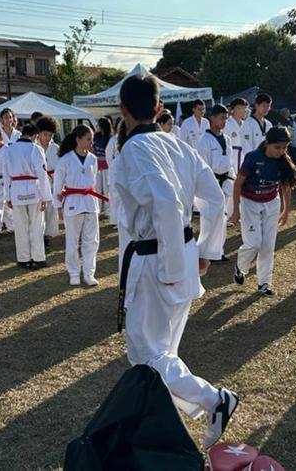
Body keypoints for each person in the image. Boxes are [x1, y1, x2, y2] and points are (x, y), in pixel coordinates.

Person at [113, 73, 237, 450]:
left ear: (122, 111)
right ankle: (155, 428)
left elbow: (166, 203)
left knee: (146, 353)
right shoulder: (179, 146)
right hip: (179, 251)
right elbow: (215, 199)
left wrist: (171, 267)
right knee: (164, 351)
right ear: (158, 108)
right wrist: (204, 252)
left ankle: (215, 399)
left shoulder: (134, 151)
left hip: (159, 259)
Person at [231, 127, 296, 296]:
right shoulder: (253, 158)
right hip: (250, 203)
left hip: (271, 203)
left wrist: (285, 210)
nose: (282, 151)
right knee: (254, 243)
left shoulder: (283, 161)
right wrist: (236, 209)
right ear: (268, 144)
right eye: (278, 147)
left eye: (285, 147)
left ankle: (264, 283)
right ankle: (240, 267)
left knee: (268, 246)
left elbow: (285, 187)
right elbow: (238, 184)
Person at [53, 125, 104, 287]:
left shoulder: (93, 159)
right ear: (78, 139)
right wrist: (58, 207)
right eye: (88, 139)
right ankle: (74, 273)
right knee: (72, 241)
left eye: (92, 139)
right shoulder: (65, 159)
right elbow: (57, 185)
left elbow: (94, 181)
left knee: (92, 240)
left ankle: (89, 273)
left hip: (89, 202)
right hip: (73, 203)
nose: (91, 142)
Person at [3, 124, 51, 269]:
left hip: (16, 190)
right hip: (33, 189)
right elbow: (42, 175)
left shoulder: (9, 149)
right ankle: (38, 258)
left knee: (20, 226)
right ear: (35, 136)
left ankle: (23, 259)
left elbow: (6, 175)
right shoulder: (36, 149)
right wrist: (45, 197)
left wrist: (8, 197)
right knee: (36, 225)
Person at [196, 104, 234, 255]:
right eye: (221, 118)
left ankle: (219, 250)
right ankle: (205, 250)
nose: (224, 121)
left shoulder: (227, 139)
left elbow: (229, 162)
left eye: (226, 118)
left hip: (225, 180)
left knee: (222, 216)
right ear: (212, 118)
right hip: (211, 182)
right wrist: (210, 184)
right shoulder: (204, 140)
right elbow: (203, 166)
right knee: (208, 217)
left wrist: (232, 178)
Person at [36, 116, 61, 243]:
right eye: (45, 134)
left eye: (50, 135)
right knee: (39, 212)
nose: (47, 138)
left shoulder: (56, 149)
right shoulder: (33, 147)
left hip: (51, 183)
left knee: (51, 211)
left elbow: (59, 168)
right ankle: (39, 235)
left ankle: (47, 237)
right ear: (39, 133)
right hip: (37, 185)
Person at [93, 117, 113, 216]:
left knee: (107, 189)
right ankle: (98, 209)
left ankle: (108, 210)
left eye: (98, 125)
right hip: (97, 167)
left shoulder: (109, 138)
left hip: (106, 167)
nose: (96, 127)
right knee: (97, 188)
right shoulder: (95, 137)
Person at [224, 97, 249, 174]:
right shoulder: (227, 124)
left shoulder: (246, 125)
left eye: (245, 108)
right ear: (235, 109)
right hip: (231, 156)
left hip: (244, 156)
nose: (244, 111)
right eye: (241, 108)